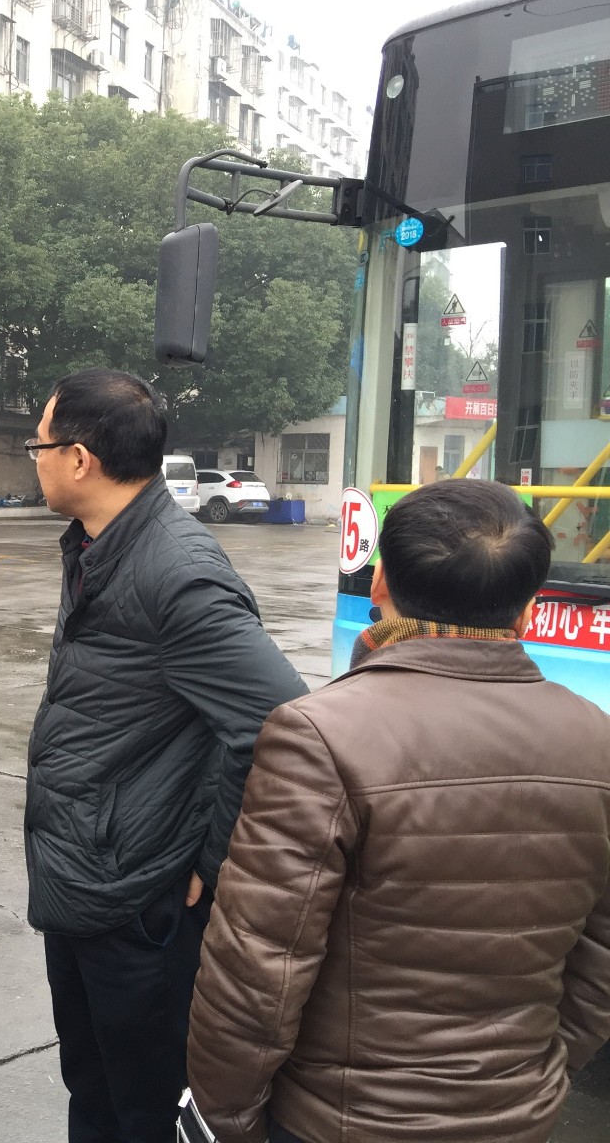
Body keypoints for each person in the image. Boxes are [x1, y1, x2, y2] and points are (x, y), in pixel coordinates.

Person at [188, 480, 610, 1143]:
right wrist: (541, 1073)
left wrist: (225, 1120)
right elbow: (598, 966)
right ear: (530, 609)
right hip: (519, 1115)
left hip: (341, 1120)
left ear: (379, 581)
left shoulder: (318, 735)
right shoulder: (597, 739)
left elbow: (257, 968)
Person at [23, 369, 308, 1143]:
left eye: (39, 446)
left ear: (79, 458)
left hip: (137, 900)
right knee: (92, 1083)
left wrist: (208, 857)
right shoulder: (99, 543)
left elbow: (277, 722)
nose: (35, 461)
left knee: (144, 1103)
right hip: (83, 876)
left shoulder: (176, 572)